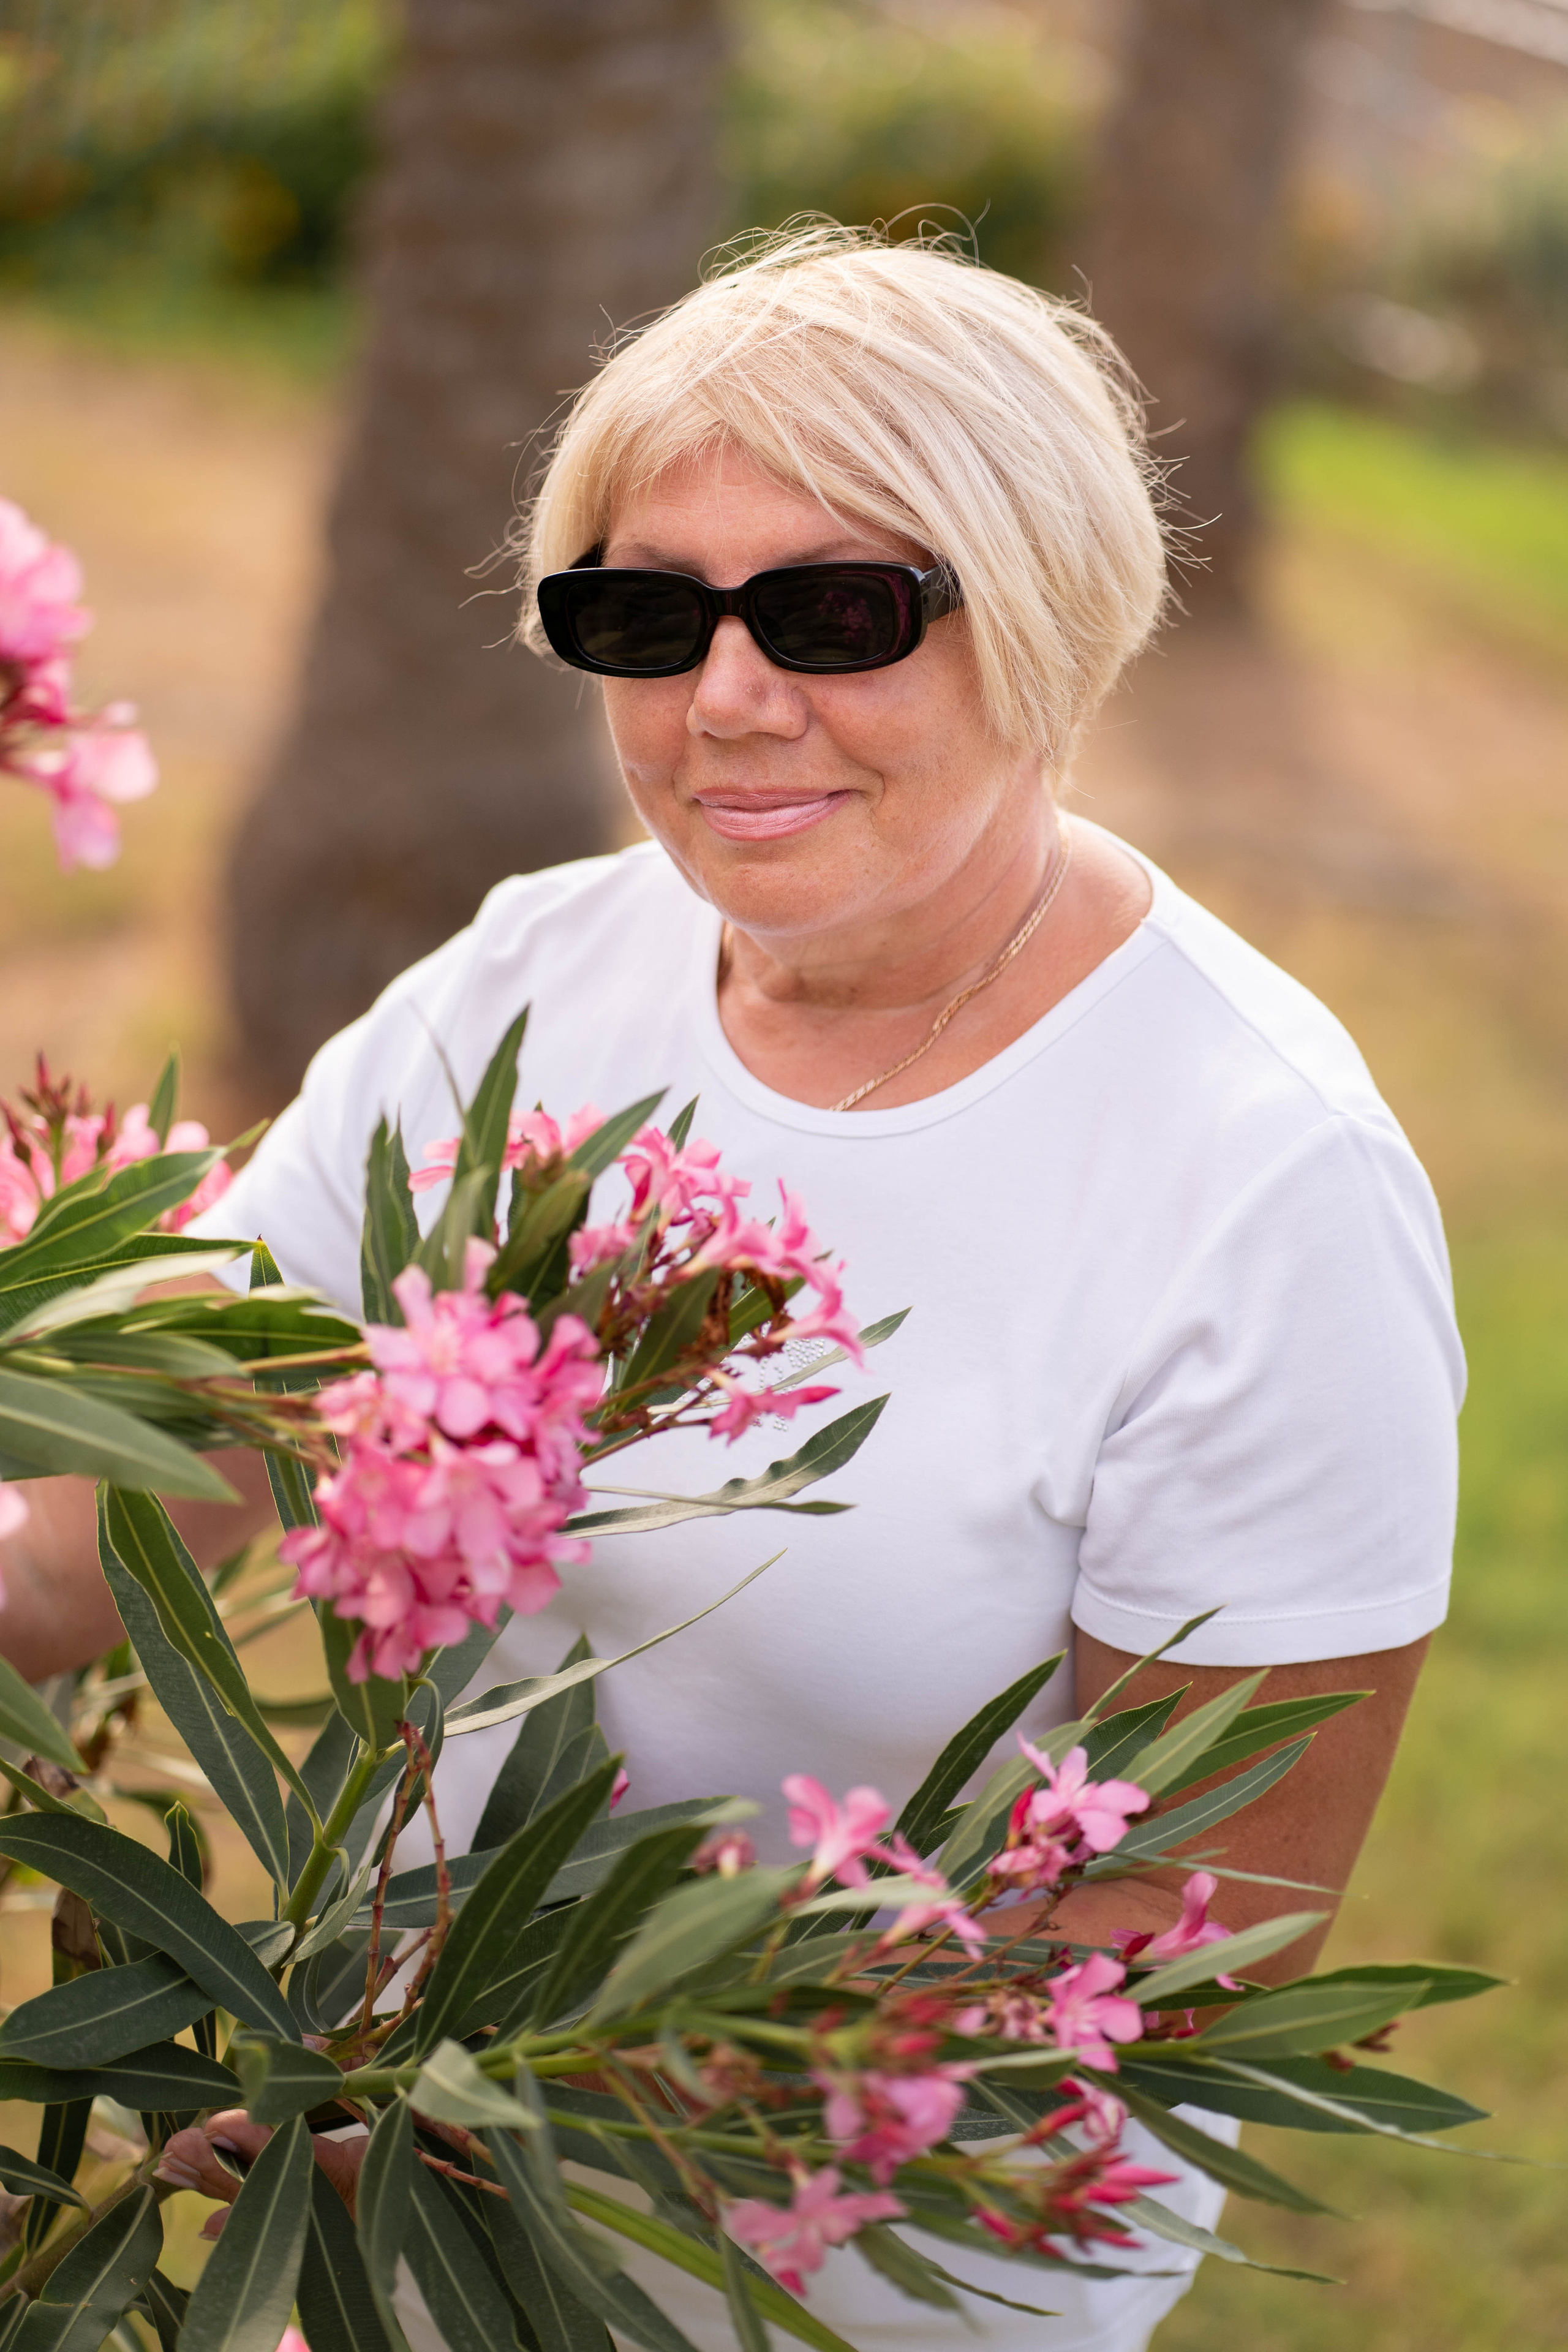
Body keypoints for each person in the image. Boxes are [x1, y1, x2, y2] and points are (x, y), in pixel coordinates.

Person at [0, 226, 1463, 2352]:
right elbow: (150, 1488)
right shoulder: (528, 984)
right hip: (401, 2194)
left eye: (841, 609)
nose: (730, 697)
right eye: (645, 614)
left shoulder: (1261, 1187)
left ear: (1047, 614)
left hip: (841, 2280)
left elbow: (1181, 1929)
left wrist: (515, 2122)